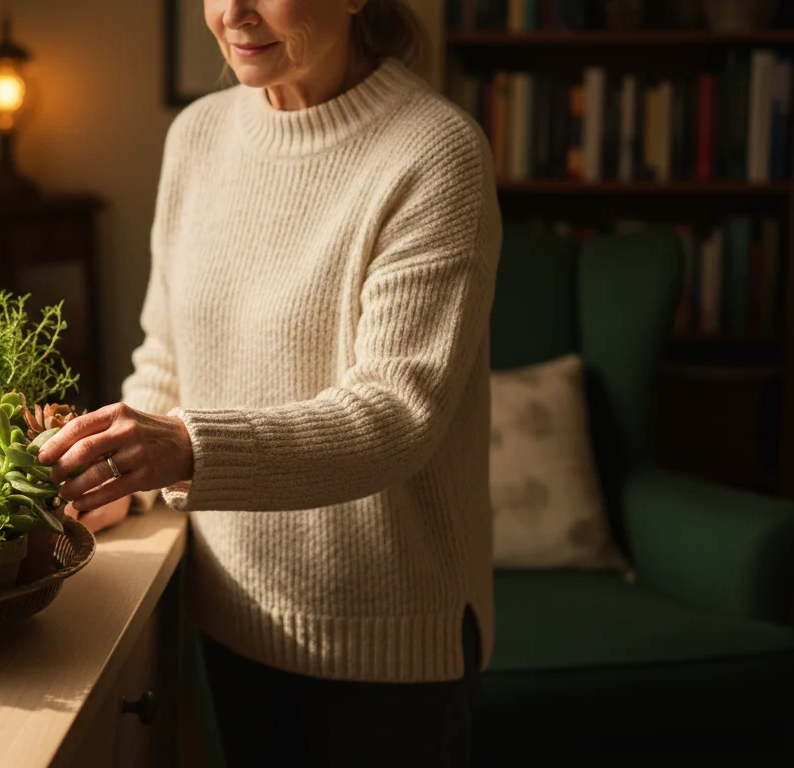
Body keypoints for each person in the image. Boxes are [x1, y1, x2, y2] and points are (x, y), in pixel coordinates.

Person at [40, 0, 500, 764]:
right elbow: (166, 356)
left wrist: (186, 447)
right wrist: (112, 473)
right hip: (227, 611)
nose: (233, 13)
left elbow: (396, 413)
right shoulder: (198, 136)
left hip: (387, 640)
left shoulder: (436, 150)